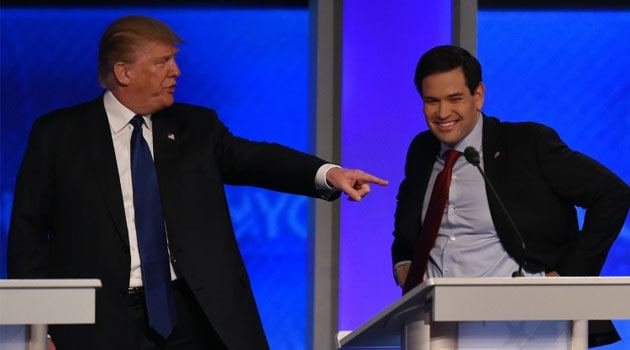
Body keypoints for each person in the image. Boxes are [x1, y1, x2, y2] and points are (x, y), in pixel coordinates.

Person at [7, 15, 387, 350]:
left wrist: (328, 174)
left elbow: (256, 159)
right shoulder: (58, 135)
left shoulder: (196, 127)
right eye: (163, 62)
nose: (176, 71)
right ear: (124, 72)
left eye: (174, 60)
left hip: (195, 314)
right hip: (101, 323)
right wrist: (37, 328)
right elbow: (27, 237)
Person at [391, 45, 630, 347]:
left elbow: (612, 194)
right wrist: (403, 259)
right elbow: (409, 201)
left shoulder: (527, 144)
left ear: (478, 95)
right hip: (435, 326)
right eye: (431, 101)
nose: (442, 113)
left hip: (523, 323)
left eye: (454, 99)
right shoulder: (422, 149)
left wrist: (569, 277)